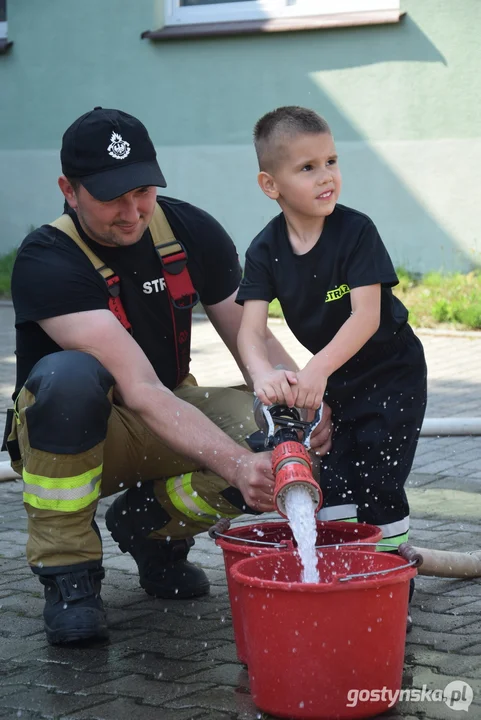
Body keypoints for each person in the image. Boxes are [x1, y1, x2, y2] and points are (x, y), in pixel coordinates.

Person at [2, 107, 332, 646]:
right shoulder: (47, 258)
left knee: (278, 439)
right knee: (68, 377)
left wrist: (306, 406)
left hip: (165, 413)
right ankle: (70, 578)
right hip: (79, 433)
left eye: (143, 191)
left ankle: (149, 529)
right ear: (69, 189)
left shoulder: (190, 230)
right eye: (112, 197)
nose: (132, 212)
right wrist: (233, 464)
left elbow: (253, 343)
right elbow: (139, 387)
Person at [236, 106, 427, 629]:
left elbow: (365, 317)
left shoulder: (356, 232)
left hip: (392, 372)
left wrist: (314, 373)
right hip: (336, 379)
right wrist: (263, 375)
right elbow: (249, 329)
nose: (326, 176)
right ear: (269, 184)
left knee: (380, 477)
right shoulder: (266, 249)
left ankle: (389, 586)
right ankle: (342, 580)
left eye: (332, 161)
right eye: (307, 167)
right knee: (338, 480)